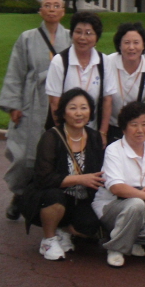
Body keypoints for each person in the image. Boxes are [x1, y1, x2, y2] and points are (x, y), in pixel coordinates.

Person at [0, 0, 71, 220]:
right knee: (23, 156)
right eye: (47, 5)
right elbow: (15, 72)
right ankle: (19, 194)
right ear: (40, 11)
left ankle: (50, 201)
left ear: (63, 11)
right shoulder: (27, 38)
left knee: (56, 155)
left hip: (60, 103)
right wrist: (14, 105)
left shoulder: (70, 37)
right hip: (33, 102)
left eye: (56, 5)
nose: (52, 9)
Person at [23, 88, 105, 261]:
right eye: (73, 108)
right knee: (55, 197)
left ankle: (65, 229)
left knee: (92, 227)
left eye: (84, 108)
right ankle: (49, 239)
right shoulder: (51, 137)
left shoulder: (94, 137)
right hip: (50, 196)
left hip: (81, 199)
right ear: (63, 112)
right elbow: (43, 179)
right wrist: (80, 179)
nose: (79, 113)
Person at [93, 101, 145, 268]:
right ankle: (116, 248)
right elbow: (116, 187)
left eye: (144, 124)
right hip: (112, 205)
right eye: (134, 125)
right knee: (136, 204)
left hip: (139, 207)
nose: (140, 130)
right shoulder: (114, 150)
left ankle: (127, 239)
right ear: (124, 128)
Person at [45, 12, 117, 139]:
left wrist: (102, 132)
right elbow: (54, 102)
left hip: (93, 132)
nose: (82, 37)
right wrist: (62, 135)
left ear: (97, 37)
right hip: (65, 131)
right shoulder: (60, 61)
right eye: (78, 32)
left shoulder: (104, 62)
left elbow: (107, 100)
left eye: (88, 33)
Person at [106, 22, 145, 142]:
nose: (131, 47)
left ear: (143, 45)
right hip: (110, 126)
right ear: (119, 45)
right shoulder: (107, 63)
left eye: (136, 42)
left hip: (138, 130)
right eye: (126, 42)